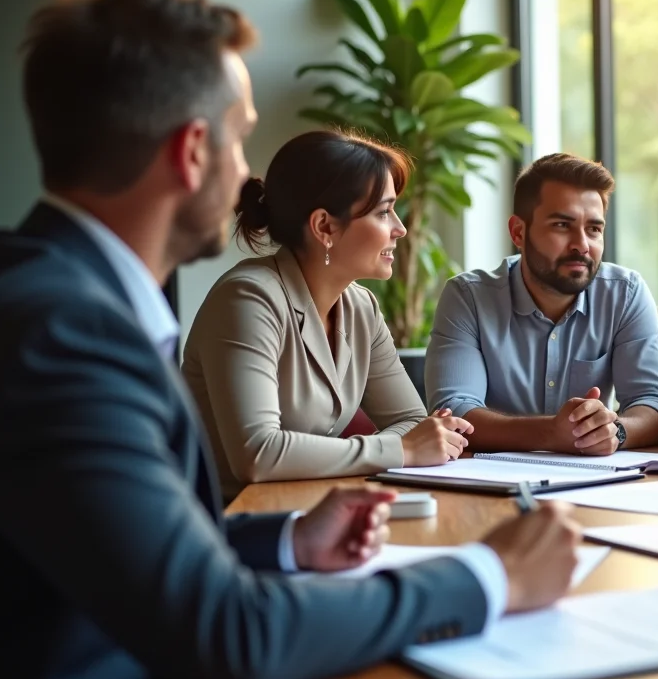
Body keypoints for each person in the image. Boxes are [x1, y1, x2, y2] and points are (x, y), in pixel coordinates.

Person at [0, 0, 581, 679]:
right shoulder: (66, 337)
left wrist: (287, 537)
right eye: (240, 141)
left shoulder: (62, 301)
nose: (248, 178)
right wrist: (489, 575)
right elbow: (227, 633)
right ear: (191, 150)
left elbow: (132, 551)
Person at [182, 130, 471, 500]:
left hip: (309, 509)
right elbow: (257, 454)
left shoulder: (360, 306)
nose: (400, 229)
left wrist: (408, 442)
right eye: (383, 212)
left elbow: (412, 421)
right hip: (228, 524)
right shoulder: (247, 299)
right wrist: (402, 450)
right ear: (325, 227)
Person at [425, 153, 658, 454]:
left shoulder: (624, 294)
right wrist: (550, 434)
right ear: (518, 232)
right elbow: (453, 412)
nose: (582, 245)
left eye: (594, 229)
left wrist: (614, 432)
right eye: (562, 225)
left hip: (593, 484)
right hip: (491, 483)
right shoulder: (469, 297)